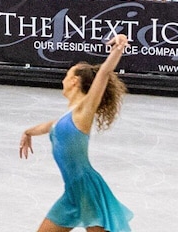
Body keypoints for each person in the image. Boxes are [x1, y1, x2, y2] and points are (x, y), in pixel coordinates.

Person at [18, 34, 132, 232]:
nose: (63, 80)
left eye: (66, 75)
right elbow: (50, 126)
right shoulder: (68, 116)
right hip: (72, 193)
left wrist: (119, 46)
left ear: (74, 81)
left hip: (88, 190)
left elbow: (104, 73)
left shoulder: (84, 110)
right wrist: (28, 132)